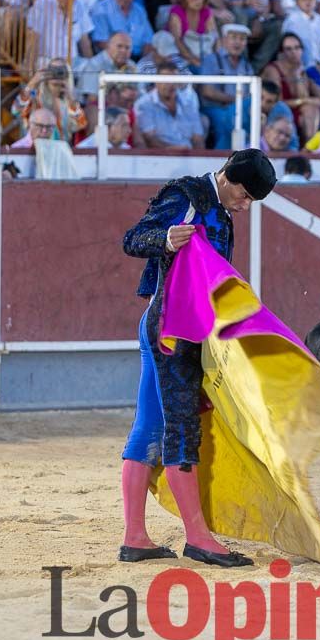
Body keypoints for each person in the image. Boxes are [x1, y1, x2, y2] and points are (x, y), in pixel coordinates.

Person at [119, 148, 276, 567]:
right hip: (172, 329)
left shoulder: (222, 211)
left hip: (180, 327)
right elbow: (132, 239)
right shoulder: (185, 194)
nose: (245, 206)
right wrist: (165, 239)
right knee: (182, 426)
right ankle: (199, 538)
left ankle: (135, 536)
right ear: (226, 177)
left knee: (151, 425)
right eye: (244, 195)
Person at [198, 23, 253, 149]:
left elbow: (250, 94)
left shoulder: (246, 65)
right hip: (215, 108)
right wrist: (237, 100)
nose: (237, 42)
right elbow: (207, 91)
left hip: (239, 109)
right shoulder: (211, 59)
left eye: (242, 39)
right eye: (233, 37)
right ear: (224, 40)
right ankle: (223, 158)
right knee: (227, 121)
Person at [134, 60, 204, 148]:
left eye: (174, 79)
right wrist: (175, 151)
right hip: (162, 157)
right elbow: (150, 139)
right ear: (156, 81)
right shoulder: (144, 104)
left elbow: (198, 138)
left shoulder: (188, 103)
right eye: (166, 80)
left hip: (189, 155)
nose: (170, 84)